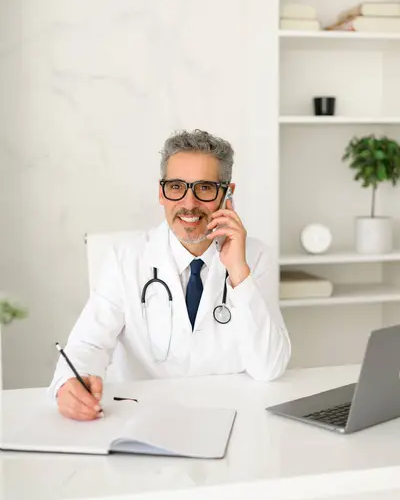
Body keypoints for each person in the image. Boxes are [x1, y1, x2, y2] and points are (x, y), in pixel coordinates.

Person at [50, 129, 291, 420]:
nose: (189, 204)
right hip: (144, 422)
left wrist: (238, 272)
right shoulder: (126, 259)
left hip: (233, 418)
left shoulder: (255, 258)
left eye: (204, 188)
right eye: (176, 187)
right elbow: (88, 345)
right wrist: (68, 385)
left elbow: (269, 367)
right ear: (161, 192)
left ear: (228, 193)